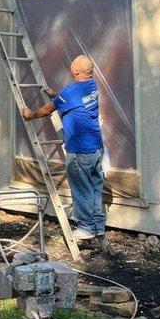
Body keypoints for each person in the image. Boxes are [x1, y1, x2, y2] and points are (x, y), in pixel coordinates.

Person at [21, 55, 105, 241]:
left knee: (81, 188)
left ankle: (86, 227)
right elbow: (71, 96)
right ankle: (98, 226)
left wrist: (30, 114)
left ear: (75, 72)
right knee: (95, 187)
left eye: (71, 67)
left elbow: (47, 110)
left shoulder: (70, 92)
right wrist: (56, 95)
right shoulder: (92, 86)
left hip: (80, 150)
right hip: (97, 148)